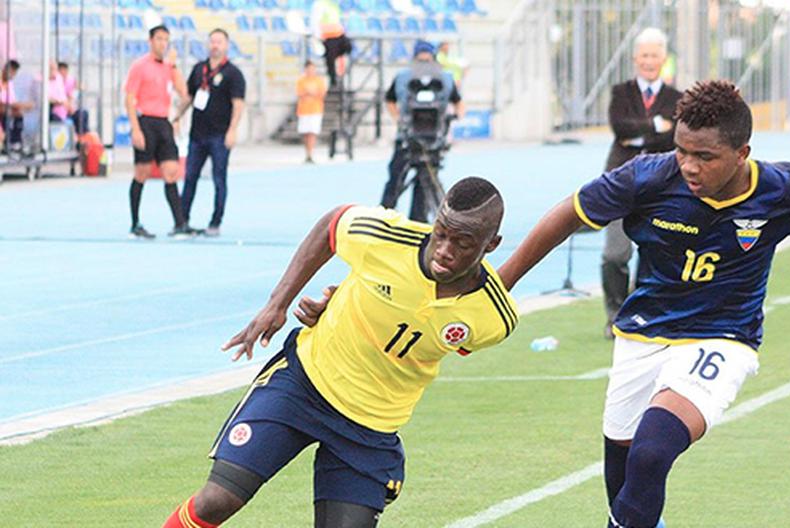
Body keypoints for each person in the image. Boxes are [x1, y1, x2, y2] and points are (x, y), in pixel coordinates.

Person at [495, 80, 790, 528]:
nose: (688, 167)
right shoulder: (648, 176)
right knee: (623, 489)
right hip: (641, 333)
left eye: (705, 156)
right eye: (682, 151)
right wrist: (501, 287)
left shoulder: (787, 189)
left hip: (723, 337)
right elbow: (568, 213)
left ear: (742, 153)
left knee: (651, 453)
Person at [160, 177, 519, 528]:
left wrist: (340, 302)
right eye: (440, 233)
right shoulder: (387, 237)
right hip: (303, 385)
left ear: (491, 244)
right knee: (218, 500)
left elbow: (426, 332)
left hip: (370, 427)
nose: (444, 250)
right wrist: (277, 304)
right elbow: (331, 226)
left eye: (462, 243)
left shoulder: (493, 318)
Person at [601, 27, 682, 339]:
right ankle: (615, 314)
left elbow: (673, 135)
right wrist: (655, 126)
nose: (649, 61)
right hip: (620, 181)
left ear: (663, 59)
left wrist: (642, 132)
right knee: (615, 254)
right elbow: (619, 127)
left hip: (660, 185)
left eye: (655, 55)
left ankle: (641, 313)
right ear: (635, 59)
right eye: (644, 55)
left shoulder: (677, 98)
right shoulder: (621, 93)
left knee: (655, 252)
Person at [380, 40, 463, 222]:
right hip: (407, 139)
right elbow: (390, 99)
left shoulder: (445, 78)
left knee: (423, 183)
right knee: (395, 179)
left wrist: (454, 118)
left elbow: (458, 101)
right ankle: (384, 216)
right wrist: (399, 119)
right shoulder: (403, 77)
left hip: (433, 140)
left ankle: (417, 220)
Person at [174, 28, 246, 238]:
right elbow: (189, 96)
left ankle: (215, 221)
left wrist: (232, 131)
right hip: (197, 134)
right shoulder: (199, 69)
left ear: (226, 46)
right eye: (212, 41)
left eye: (219, 42)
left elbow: (238, 104)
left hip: (220, 135)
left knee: (219, 179)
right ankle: (182, 219)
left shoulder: (233, 73)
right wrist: (177, 116)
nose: (215, 45)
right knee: (190, 177)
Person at [124, 25, 193, 239]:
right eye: (159, 39)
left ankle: (179, 223)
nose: (163, 43)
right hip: (146, 121)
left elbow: (184, 93)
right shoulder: (139, 66)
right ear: (151, 41)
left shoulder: (168, 67)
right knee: (142, 173)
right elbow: (129, 98)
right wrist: (135, 128)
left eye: (166, 40)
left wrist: (174, 67)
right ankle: (135, 223)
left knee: (171, 171)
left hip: (164, 121)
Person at [312, 0, 350, 88]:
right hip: (327, 37)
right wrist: (318, 38)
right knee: (330, 58)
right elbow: (315, 22)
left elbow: (336, 21)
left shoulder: (334, 4)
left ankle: (338, 75)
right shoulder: (320, 4)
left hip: (338, 35)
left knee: (347, 47)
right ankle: (333, 80)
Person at [296, 59, 327, 164]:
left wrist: (311, 93)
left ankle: (310, 154)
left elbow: (322, 94)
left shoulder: (319, 81)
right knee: (305, 132)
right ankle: (307, 153)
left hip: (315, 110)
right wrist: (309, 92)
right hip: (304, 110)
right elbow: (300, 93)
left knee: (313, 132)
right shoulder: (301, 81)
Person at [58, 61, 89, 134]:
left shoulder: (71, 80)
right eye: (61, 70)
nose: (63, 73)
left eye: (65, 70)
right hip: (61, 109)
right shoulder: (55, 82)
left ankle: (83, 134)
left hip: (70, 108)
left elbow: (82, 86)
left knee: (83, 113)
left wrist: (76, 89)